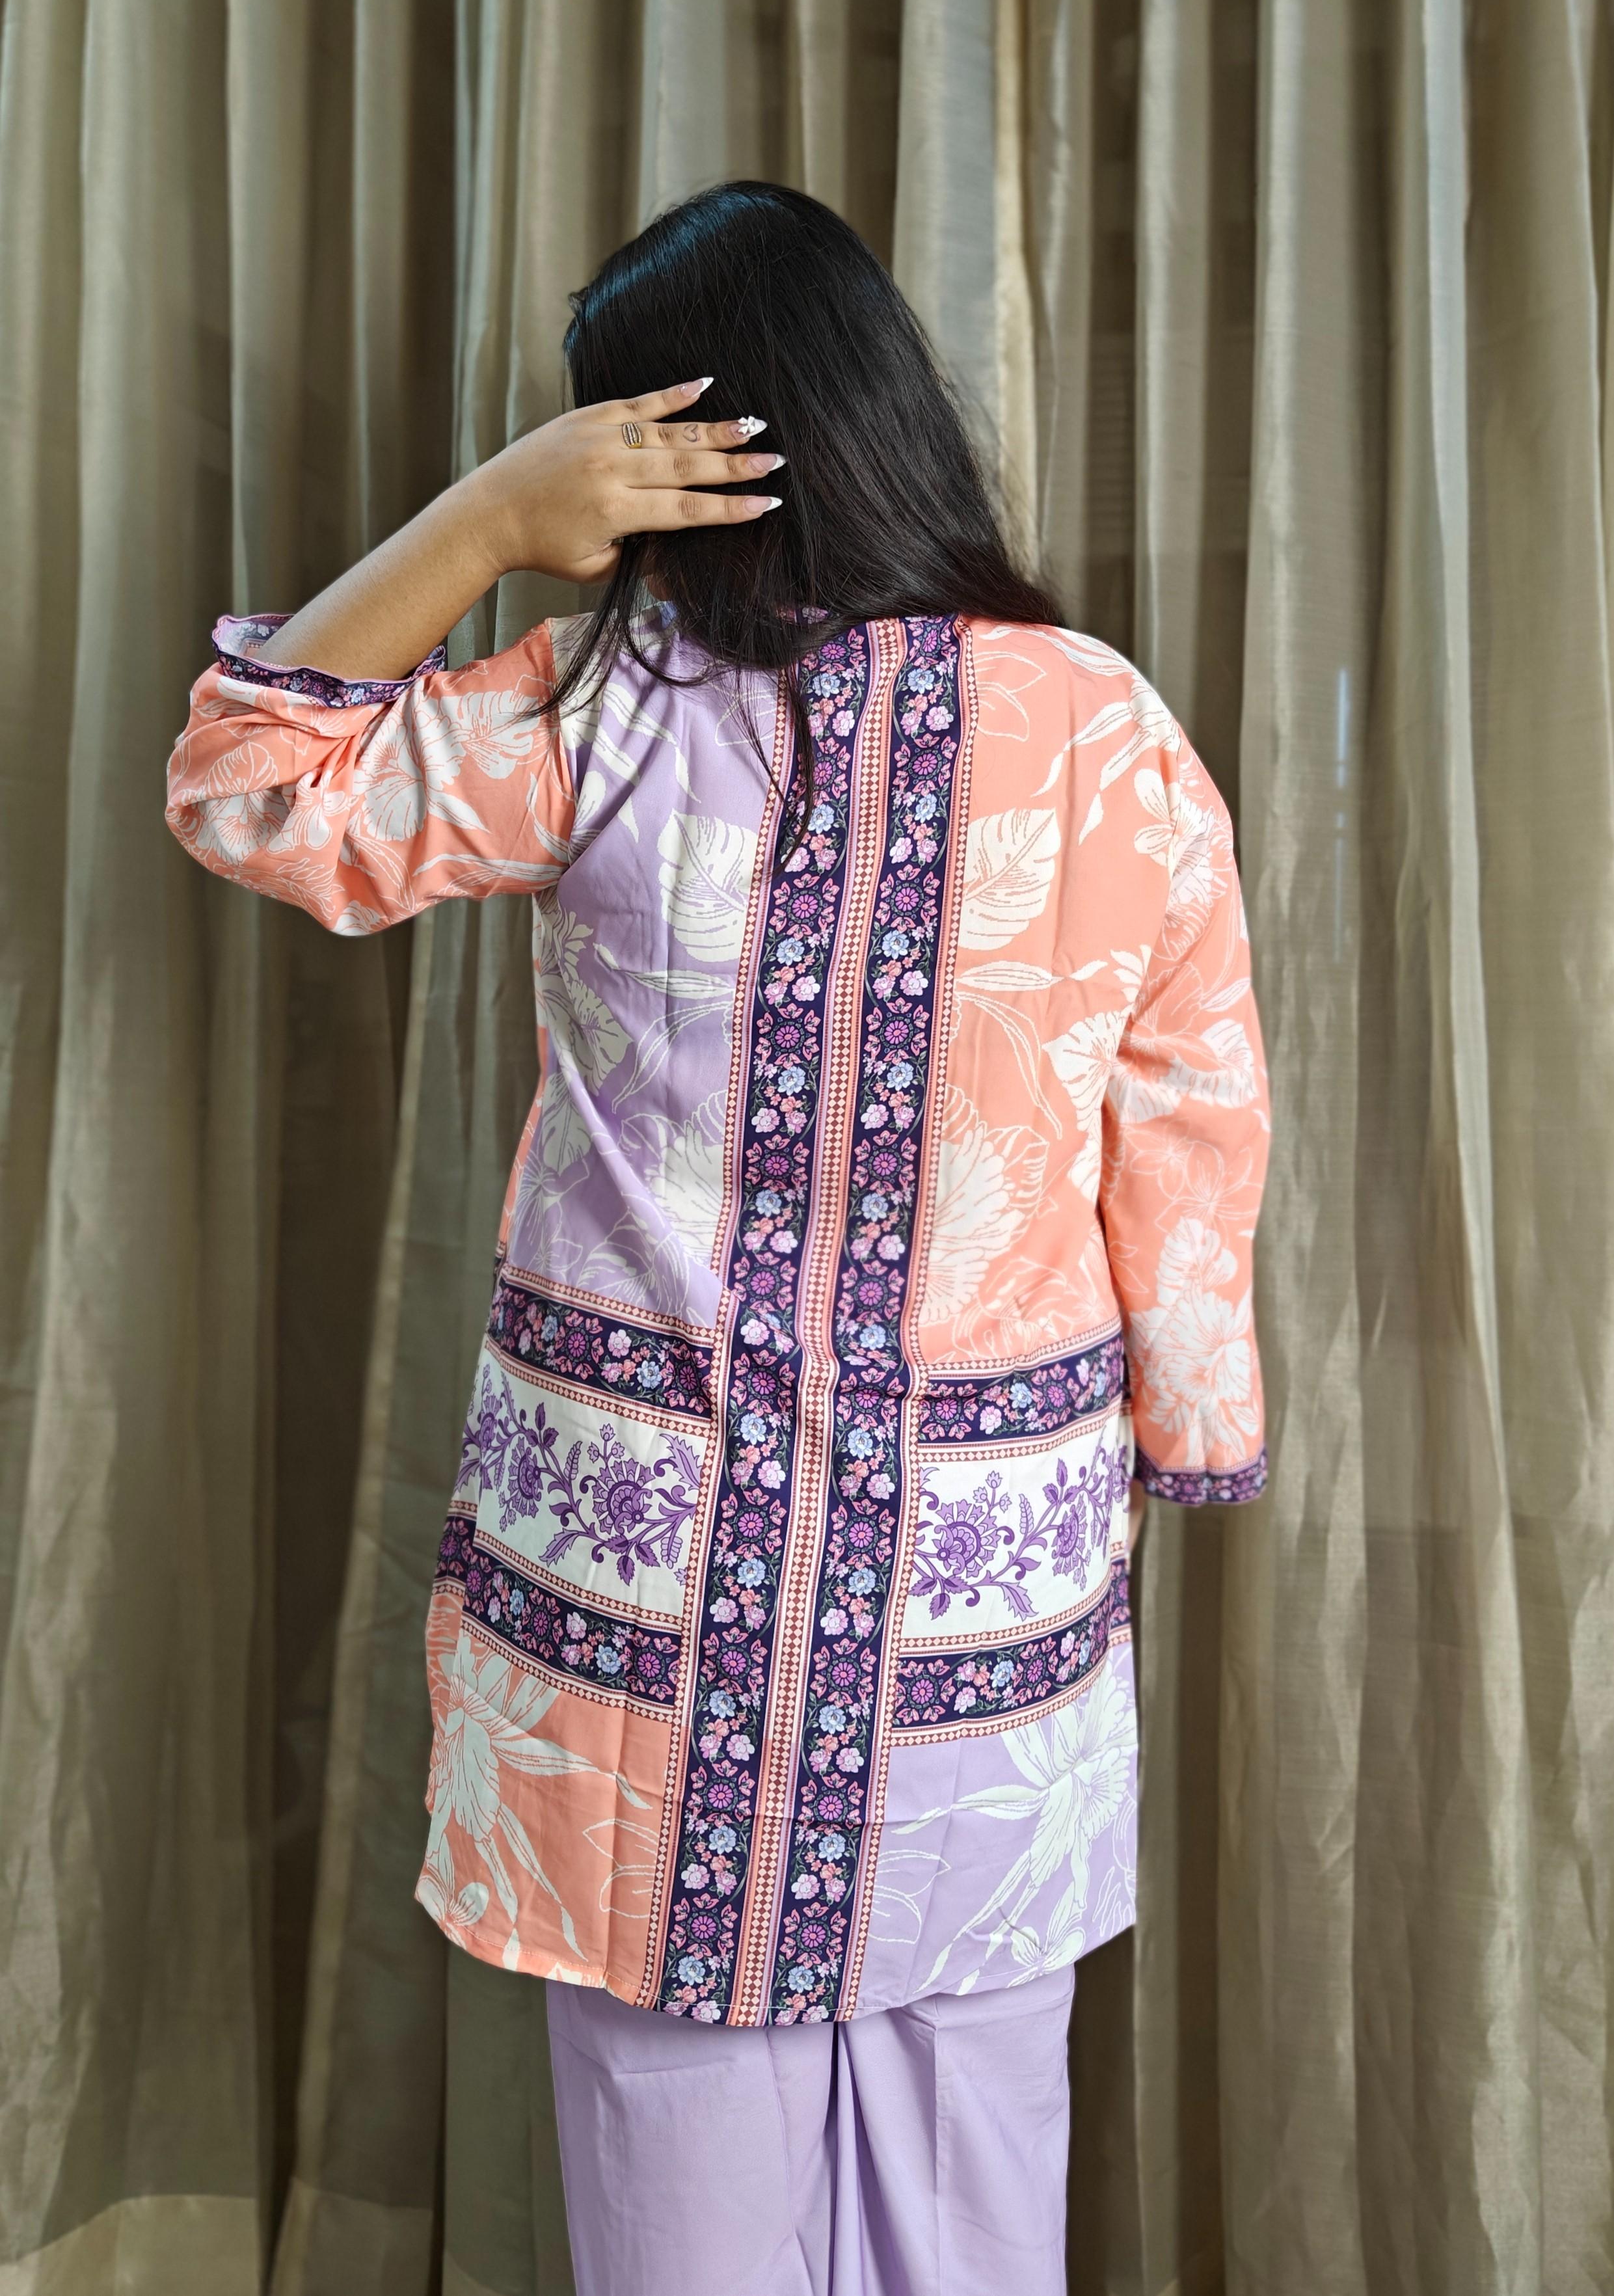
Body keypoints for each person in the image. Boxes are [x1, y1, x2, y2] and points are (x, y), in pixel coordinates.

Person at [167, 180, 1269, 2296]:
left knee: (681, 2207)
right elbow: (1189, 1108)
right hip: (974, 1599)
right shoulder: (1102, 727)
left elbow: (252, 782)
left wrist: (486, 524)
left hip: (662, 1614)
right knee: (970, 2199)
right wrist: (1187, 1412)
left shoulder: (603, 713)